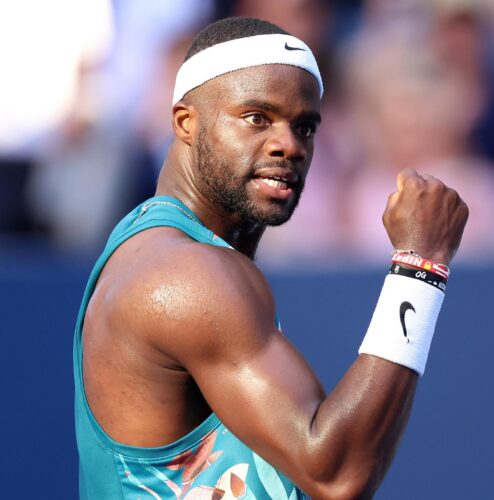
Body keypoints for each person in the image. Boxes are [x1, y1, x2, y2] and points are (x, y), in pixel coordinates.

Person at [74, 16, 468, 499]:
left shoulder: (168, 251)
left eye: (304, 126)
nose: (289, 145)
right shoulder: (187, 274)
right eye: (257, 117)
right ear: (185, 123)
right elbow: (336, 473)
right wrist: (419, 264)